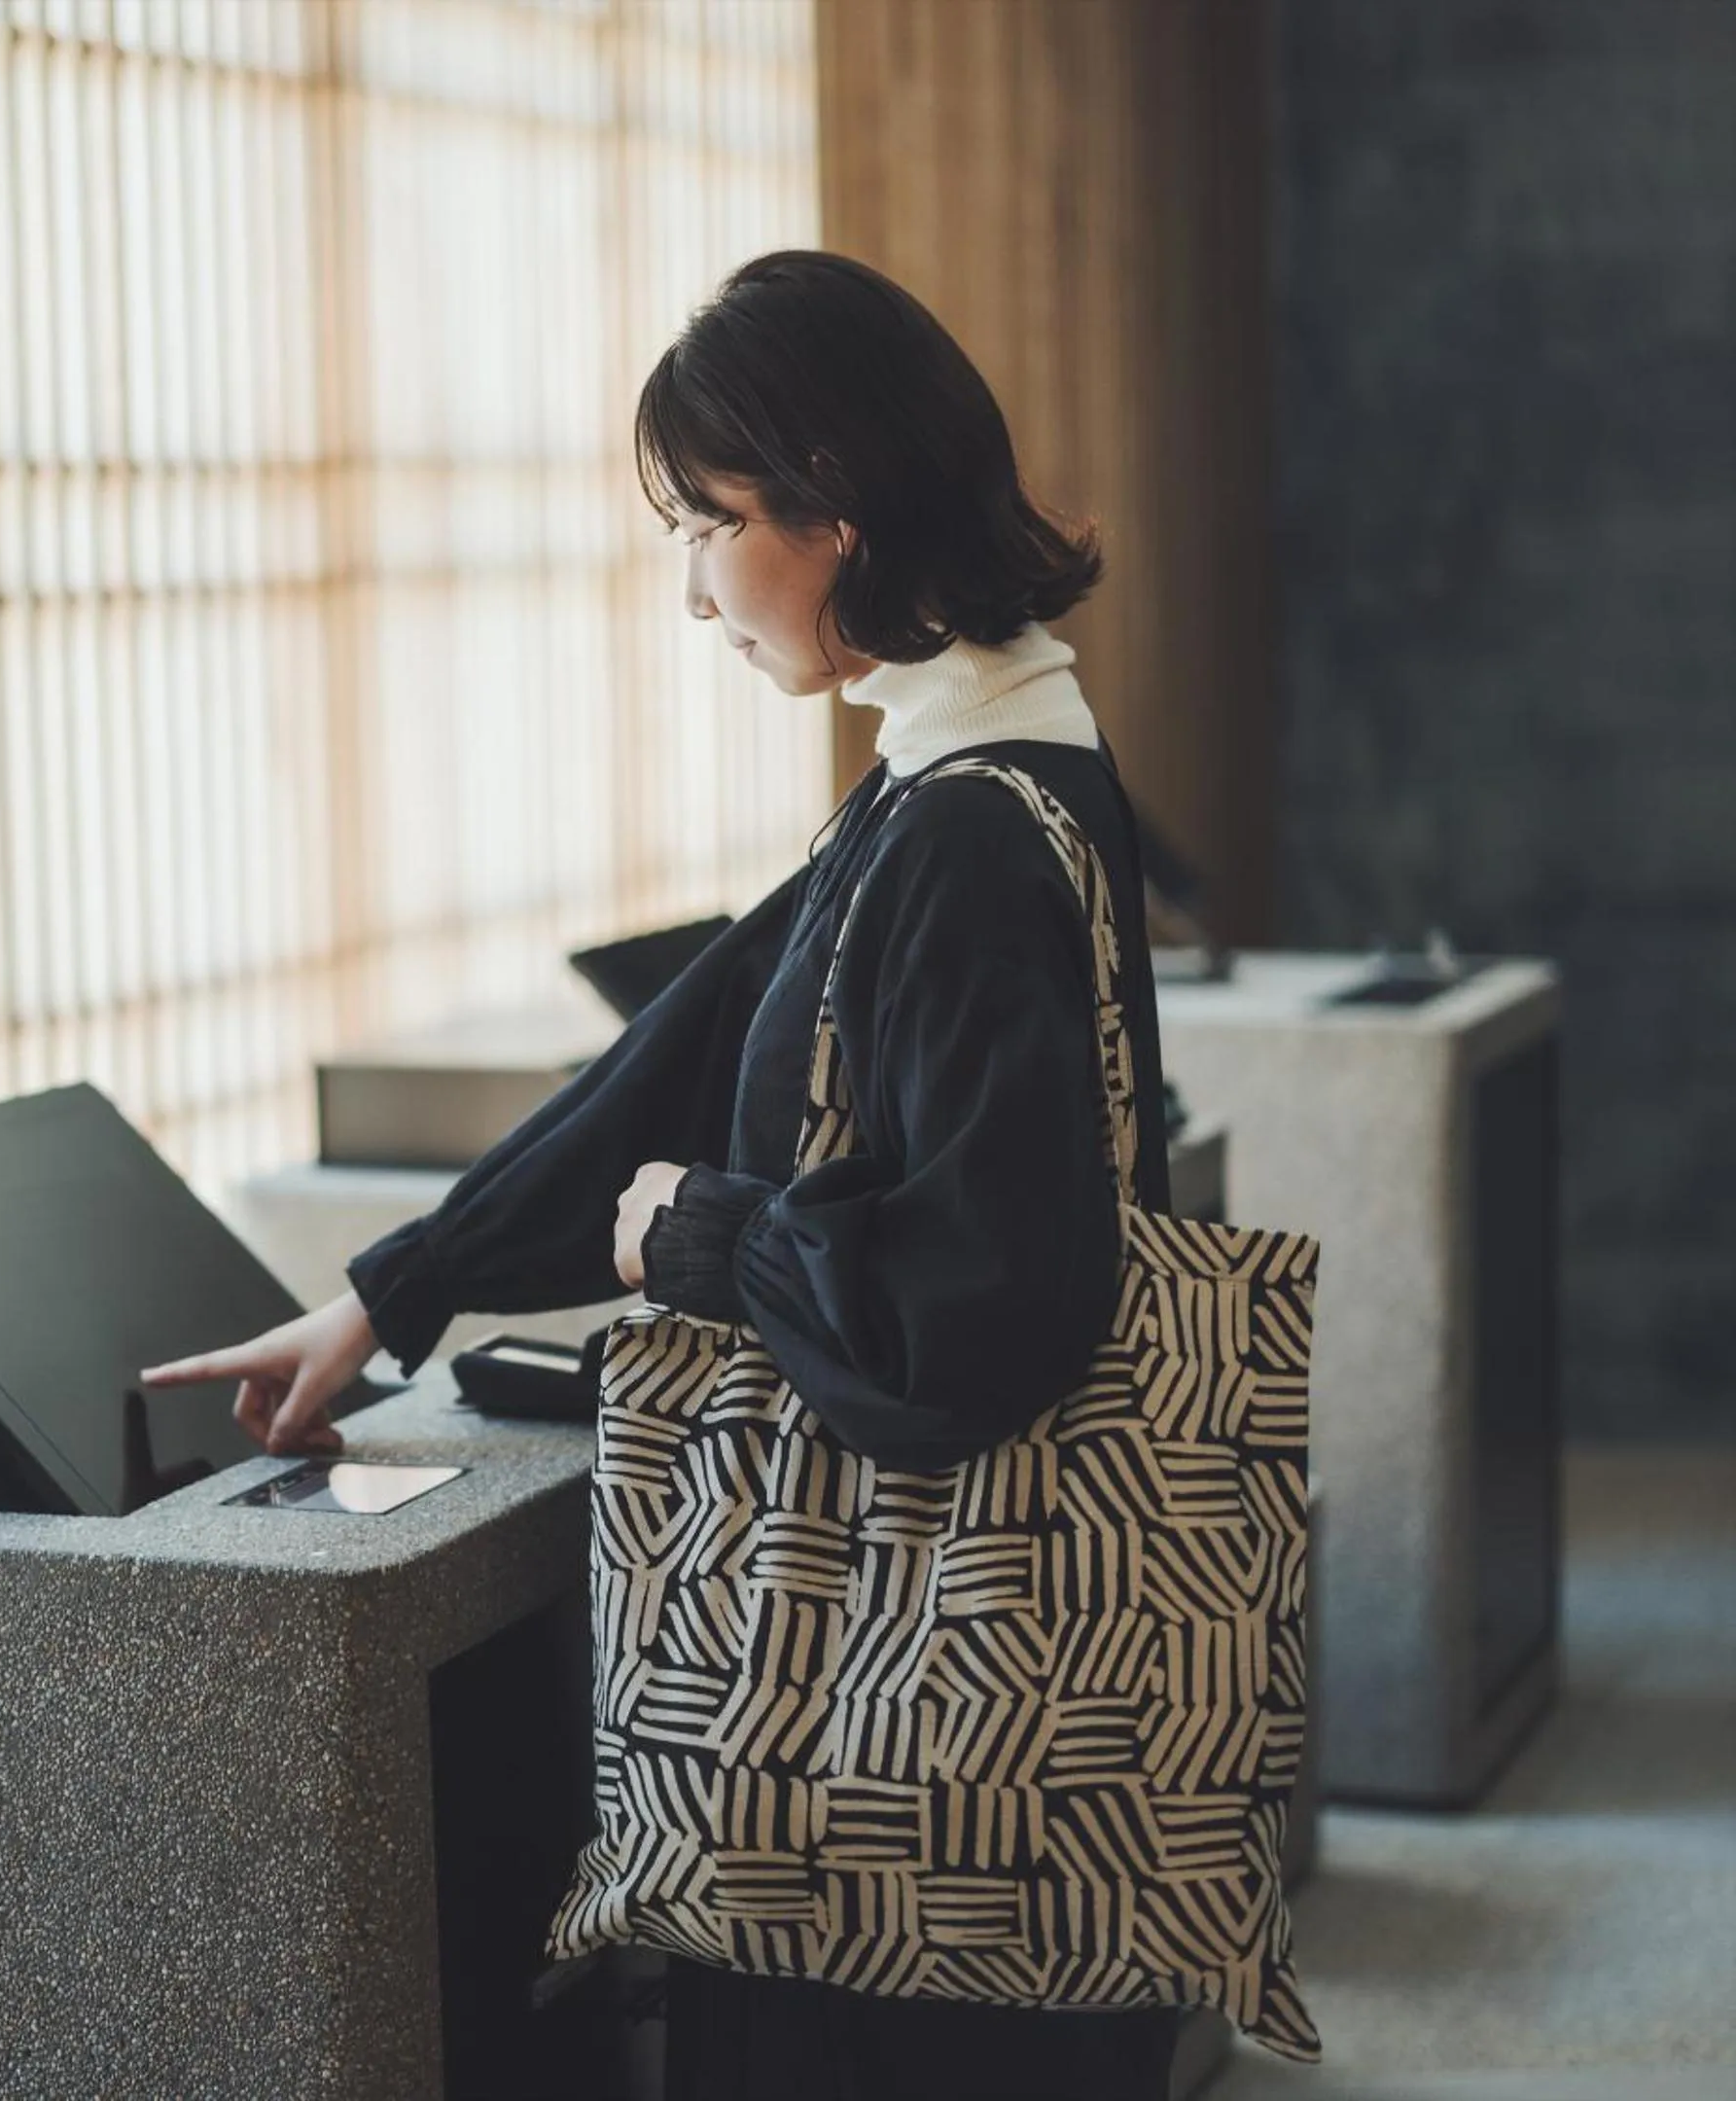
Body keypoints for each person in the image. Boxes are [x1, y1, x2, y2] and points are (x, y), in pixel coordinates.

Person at [139, 250, 1186, 2100]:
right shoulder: (972, 761)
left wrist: (702, 1237)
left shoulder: (964, 843)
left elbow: (983, 1315)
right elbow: (692, 1044)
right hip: (952, 1696)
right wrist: (400, 1286)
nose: (697, 589)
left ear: (836, 521)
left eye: (711, 526)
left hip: (897, 1705)